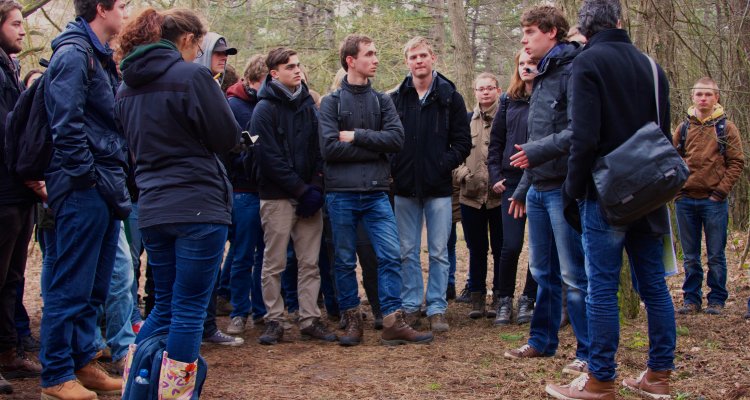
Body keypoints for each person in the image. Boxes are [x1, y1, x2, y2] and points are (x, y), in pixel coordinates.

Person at [545, 0, 677, 398]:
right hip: (650, 189)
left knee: (602, 285)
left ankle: (601, 379)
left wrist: (573, 188)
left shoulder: (588, 62)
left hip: (605, 193)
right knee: (654, 284)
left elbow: (583, 137)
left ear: (585, 29)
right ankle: (659, 376)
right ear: (619, 22)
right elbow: (662, 136)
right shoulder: (652, 67)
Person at [115, 7, 241, 398]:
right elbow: (227, 138)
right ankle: (174, 395)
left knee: (164, 306)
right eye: (199, 45)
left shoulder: (126, 87)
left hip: (153, 206)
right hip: (198, 205)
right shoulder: (192, 76)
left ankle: (135, 386)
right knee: (187, 309)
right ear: (186, 40)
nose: (199, 53)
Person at [40, 0, 131, 398]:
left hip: (106, 185)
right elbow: (66, 126)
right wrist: (87, 179)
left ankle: (81, 363)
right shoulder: (73, 54)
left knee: (95, 285)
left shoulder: (100, 55)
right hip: (84, 188)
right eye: (123, 5)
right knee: (70, 284)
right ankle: (56, 375)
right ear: (101, 8)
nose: (127, 14)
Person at [320, 33, 434, 346]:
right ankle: (352, 320)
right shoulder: (331, 103)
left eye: (375, 53)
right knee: (343, 260)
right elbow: (329, 149)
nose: (376, 59)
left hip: (376, 192)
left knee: (389, 256)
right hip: (341, 193)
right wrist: (376, 145)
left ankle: (392, 321)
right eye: (369, 54)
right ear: (350, 61)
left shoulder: (382, 100)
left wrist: (356, 136)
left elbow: (396, 141)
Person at [502, 5, 590, 379]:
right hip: (537, 188)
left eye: (530, 33)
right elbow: (535, 140)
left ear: (551, 32)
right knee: (541, 270)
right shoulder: (541, 75)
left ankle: (587, 351)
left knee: (574, 275)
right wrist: (523, 187)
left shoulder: (574, 71)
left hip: (564, 190)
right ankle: (541, 341)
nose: (524, 40)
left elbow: (578, 132)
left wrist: (537, 154)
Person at [253, 47, 335, 345]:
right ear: (274, 73)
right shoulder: (263, 109)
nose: (298, 70)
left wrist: (315, 186)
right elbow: (267, 157)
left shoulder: (308, 105)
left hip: (308, 195)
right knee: (274, 262)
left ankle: (310, 318)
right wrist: (301, 189)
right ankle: (274, 319)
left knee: (310, 262)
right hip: (276, 196)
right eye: (290, 66)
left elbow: (319, 148)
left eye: (299, 65)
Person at [390, 36, 471, 333]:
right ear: (407, 62)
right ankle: (411, 305)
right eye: (413, 57)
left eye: (423, 55)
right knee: (407, 250)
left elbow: (463, 142)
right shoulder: (396, 97)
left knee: (439, 250)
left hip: (438, 188)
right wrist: (396, 166)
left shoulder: (450, 96)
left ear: (433, 58)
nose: (419, 61)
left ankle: (437, 306)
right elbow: (388, 139)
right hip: (405, 187)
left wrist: (441, 163)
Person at [673, 77, 744, 316]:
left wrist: (720, 192)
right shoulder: (683, 128)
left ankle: (716, 299)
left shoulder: (726, 128)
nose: (703, 99)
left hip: (714, 201)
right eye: (699, 94)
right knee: (691, 256)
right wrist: (678, 191)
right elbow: (671, 160)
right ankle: (691, 299)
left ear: (716, 98)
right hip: (685, 200)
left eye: (708, 95)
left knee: (715, 254)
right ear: (693, 97)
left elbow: (736, 162)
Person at [193, 34, 245, 347]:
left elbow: (236, 141)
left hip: (218, 186)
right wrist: (249, 140)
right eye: (218, 53)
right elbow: (229, 138)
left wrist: (253, 140)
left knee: (211, 268)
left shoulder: (215, 90)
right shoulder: (202, 88)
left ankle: (208, 326)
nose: (223, 58)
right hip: (196, 192)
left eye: (226, 53)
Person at [0, 1, 41, 394]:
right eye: (14, 24)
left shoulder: (9, 68)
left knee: (13, 277)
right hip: (5, 189)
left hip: (17, 191)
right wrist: (28, 174)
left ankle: (8, 352)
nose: (21, 31)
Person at [487, 51, 539, 326]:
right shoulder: (508, 100)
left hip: (541, 180)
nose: (526, 68)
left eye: (531, 64)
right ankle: (504, 298)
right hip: (512, 182)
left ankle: (529, 299)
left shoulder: (547, 98)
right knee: (511, 245)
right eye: (521, 64)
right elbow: (495, 142)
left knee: (540, 247)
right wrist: (495, 175)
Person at [223, 54, 268, 334]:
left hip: (270, 191)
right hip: (243, 191)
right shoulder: (233, 105)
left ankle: (262, 311)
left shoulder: (270, 105)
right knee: (242, 254)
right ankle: (239, 310)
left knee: (268, 256)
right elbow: (228, 148)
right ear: (252, 80)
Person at [454, 72, 502, 320]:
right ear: (474, 92)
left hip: (498, 197)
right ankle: (477, 297)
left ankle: (501, 297)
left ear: (498, 90)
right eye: (480, 89)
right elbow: (454, 152)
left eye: (489, 88)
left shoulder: (506, 117)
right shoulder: (464, 120)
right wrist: (461, 174)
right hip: (470, 196)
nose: (485, 92)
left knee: (501, 248)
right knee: (476, 248)